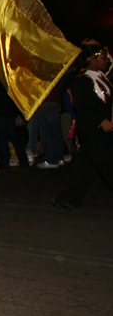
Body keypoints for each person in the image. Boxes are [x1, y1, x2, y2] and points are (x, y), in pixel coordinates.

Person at [53, 42, 113, 209]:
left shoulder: (101, 77)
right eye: (102, 57)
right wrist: (100, 120)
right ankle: (67, 197)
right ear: (92, 60)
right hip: (93, 129)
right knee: (107, 163)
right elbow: (82, 105)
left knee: (86, 166)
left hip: (103, 130)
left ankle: (67, 198)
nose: (106, 60)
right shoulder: (83, 80)